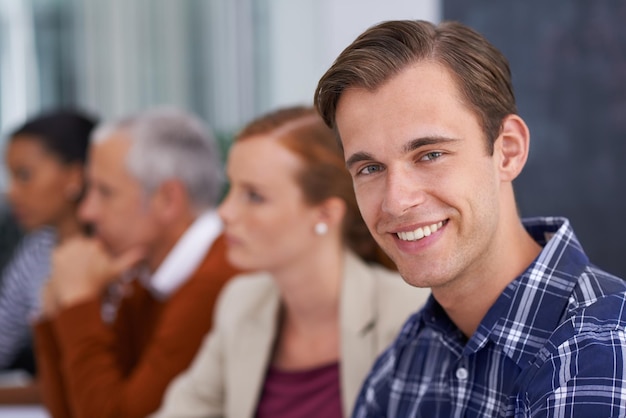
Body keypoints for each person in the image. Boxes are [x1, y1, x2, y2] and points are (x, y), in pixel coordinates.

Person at [314, 19, 626, 418]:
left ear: (508, 151)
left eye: (430, 155)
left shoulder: (601, 349)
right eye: (370, 169)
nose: (396, 202)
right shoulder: (405, 359)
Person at [152, 106, 429, 418]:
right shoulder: (241, 302)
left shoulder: (409, 314)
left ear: (325, 215)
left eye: (254, 196)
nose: (224, 212)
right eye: (231, 189)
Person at [32, 108, 242, 418]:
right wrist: (56, 312)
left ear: (168, 200)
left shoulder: (217, 282)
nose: (86, 212)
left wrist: (78, 304)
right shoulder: (142, 277)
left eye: (105, 192)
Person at [0, 110, 96, 376]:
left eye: (25, 175)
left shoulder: (116, 251)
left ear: (74, 177)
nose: (11, 192)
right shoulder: (37, 248)